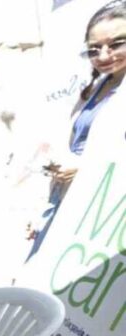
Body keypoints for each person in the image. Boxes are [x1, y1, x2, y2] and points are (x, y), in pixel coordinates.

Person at [29, 0, 125, 259]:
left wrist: (87, 169)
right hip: (64, 200)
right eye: (94, 49)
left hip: (100, 213)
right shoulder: (95, 88)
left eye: (117, 44)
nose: (103, 56)